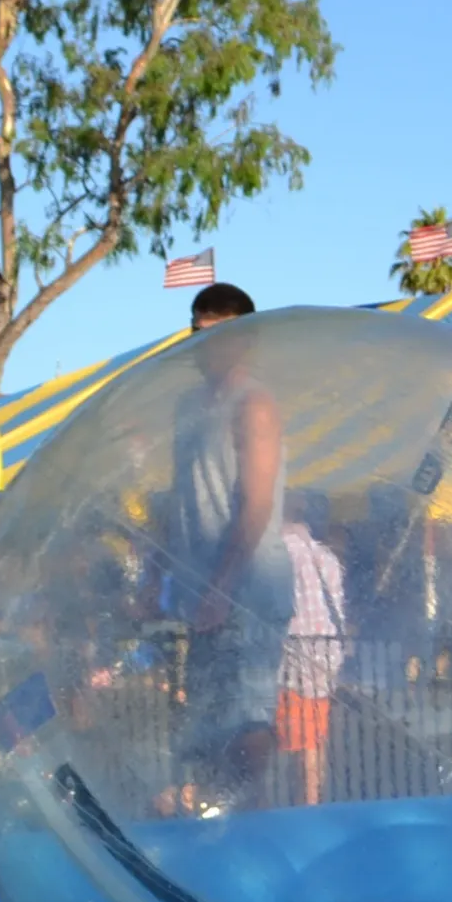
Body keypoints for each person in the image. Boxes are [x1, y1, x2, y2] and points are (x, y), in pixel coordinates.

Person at [166, 289, 286, 811]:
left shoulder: (254, 404)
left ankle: (253, 821)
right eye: (197, 332)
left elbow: (256, 504)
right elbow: (179, 494)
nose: (205, 343)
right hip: (201, 584)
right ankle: (220, 828)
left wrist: (223, 585)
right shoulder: (188, 406)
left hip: (250, 585)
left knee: (248, 717)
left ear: (245, 340)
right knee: (211, 717)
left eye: (218, 332)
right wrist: (158, 574)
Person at [277, 507, 347, 806]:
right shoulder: (327, 557)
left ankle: (293, 803)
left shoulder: (280, 553)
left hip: (294, 652)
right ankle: (312, 801)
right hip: (325, 652)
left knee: (289, 739)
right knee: (314, 738)